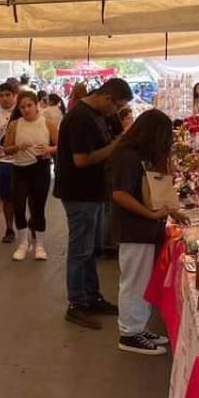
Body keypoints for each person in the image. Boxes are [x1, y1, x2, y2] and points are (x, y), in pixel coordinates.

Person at [54, 78, 133, 329]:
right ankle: (76, 302)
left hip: (94, 191)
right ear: (107, 98)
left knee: (91, 248)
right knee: (80, 250)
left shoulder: (99, 115)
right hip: (79, 193)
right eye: (116, 107)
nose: (115, 113)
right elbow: (82, 160)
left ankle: (91, 295)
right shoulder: (80, 118)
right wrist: (114, 146)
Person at [109, 109, 186, 355]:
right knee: (134, 281)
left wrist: (170, 211)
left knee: (142, 281)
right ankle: (129, 333)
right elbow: (120, 194)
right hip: (134, 229)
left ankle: (138, 327)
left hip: (146, 228)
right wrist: (150, 214)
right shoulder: (127, 156)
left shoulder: (141, 156)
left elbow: (155, 191)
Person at [2, 91, 58, 261]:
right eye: (22, 106)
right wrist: (18, 147)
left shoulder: (48, 123)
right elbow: (6, 148)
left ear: (36, 105)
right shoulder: (14, 124)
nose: (26, 110)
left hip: (40, 168)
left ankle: (39, 244)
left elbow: (59, 146)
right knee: (18, 206)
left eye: (29, 105)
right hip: (19, 169)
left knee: (38, 207)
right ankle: (22, 243)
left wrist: (48, 149)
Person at [0, 83, 18, 243]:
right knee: (7, 198)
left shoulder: (22, 113)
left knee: (26, 197)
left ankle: (31, 228)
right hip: (4, 163)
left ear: (14, 95)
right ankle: (9, 228)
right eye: (1, 95)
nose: (4, 98)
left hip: (23, 162)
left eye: (8, 94)